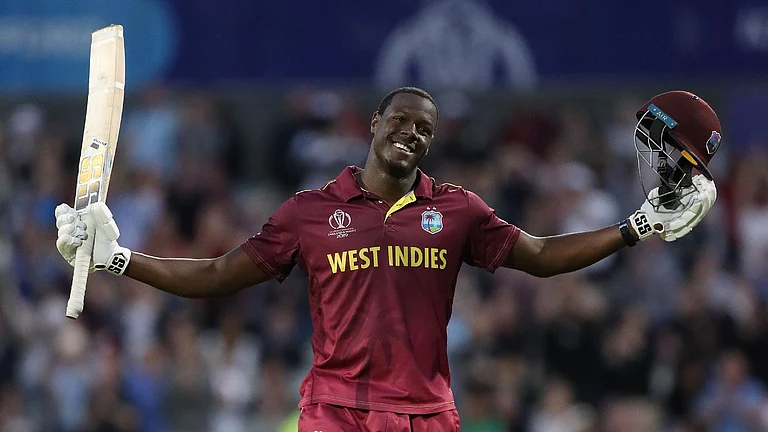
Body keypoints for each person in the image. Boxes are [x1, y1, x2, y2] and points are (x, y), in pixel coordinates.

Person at [55, 87, 719, 431]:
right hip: (336, 410)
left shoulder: (456, 210)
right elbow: (218, 275)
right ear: (373, 124)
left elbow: (541, 256)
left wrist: (635, 228)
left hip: (427, 413)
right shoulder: (309, 212)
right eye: (401, 120)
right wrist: (120, 260)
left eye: (425, 128)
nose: (413, 132)